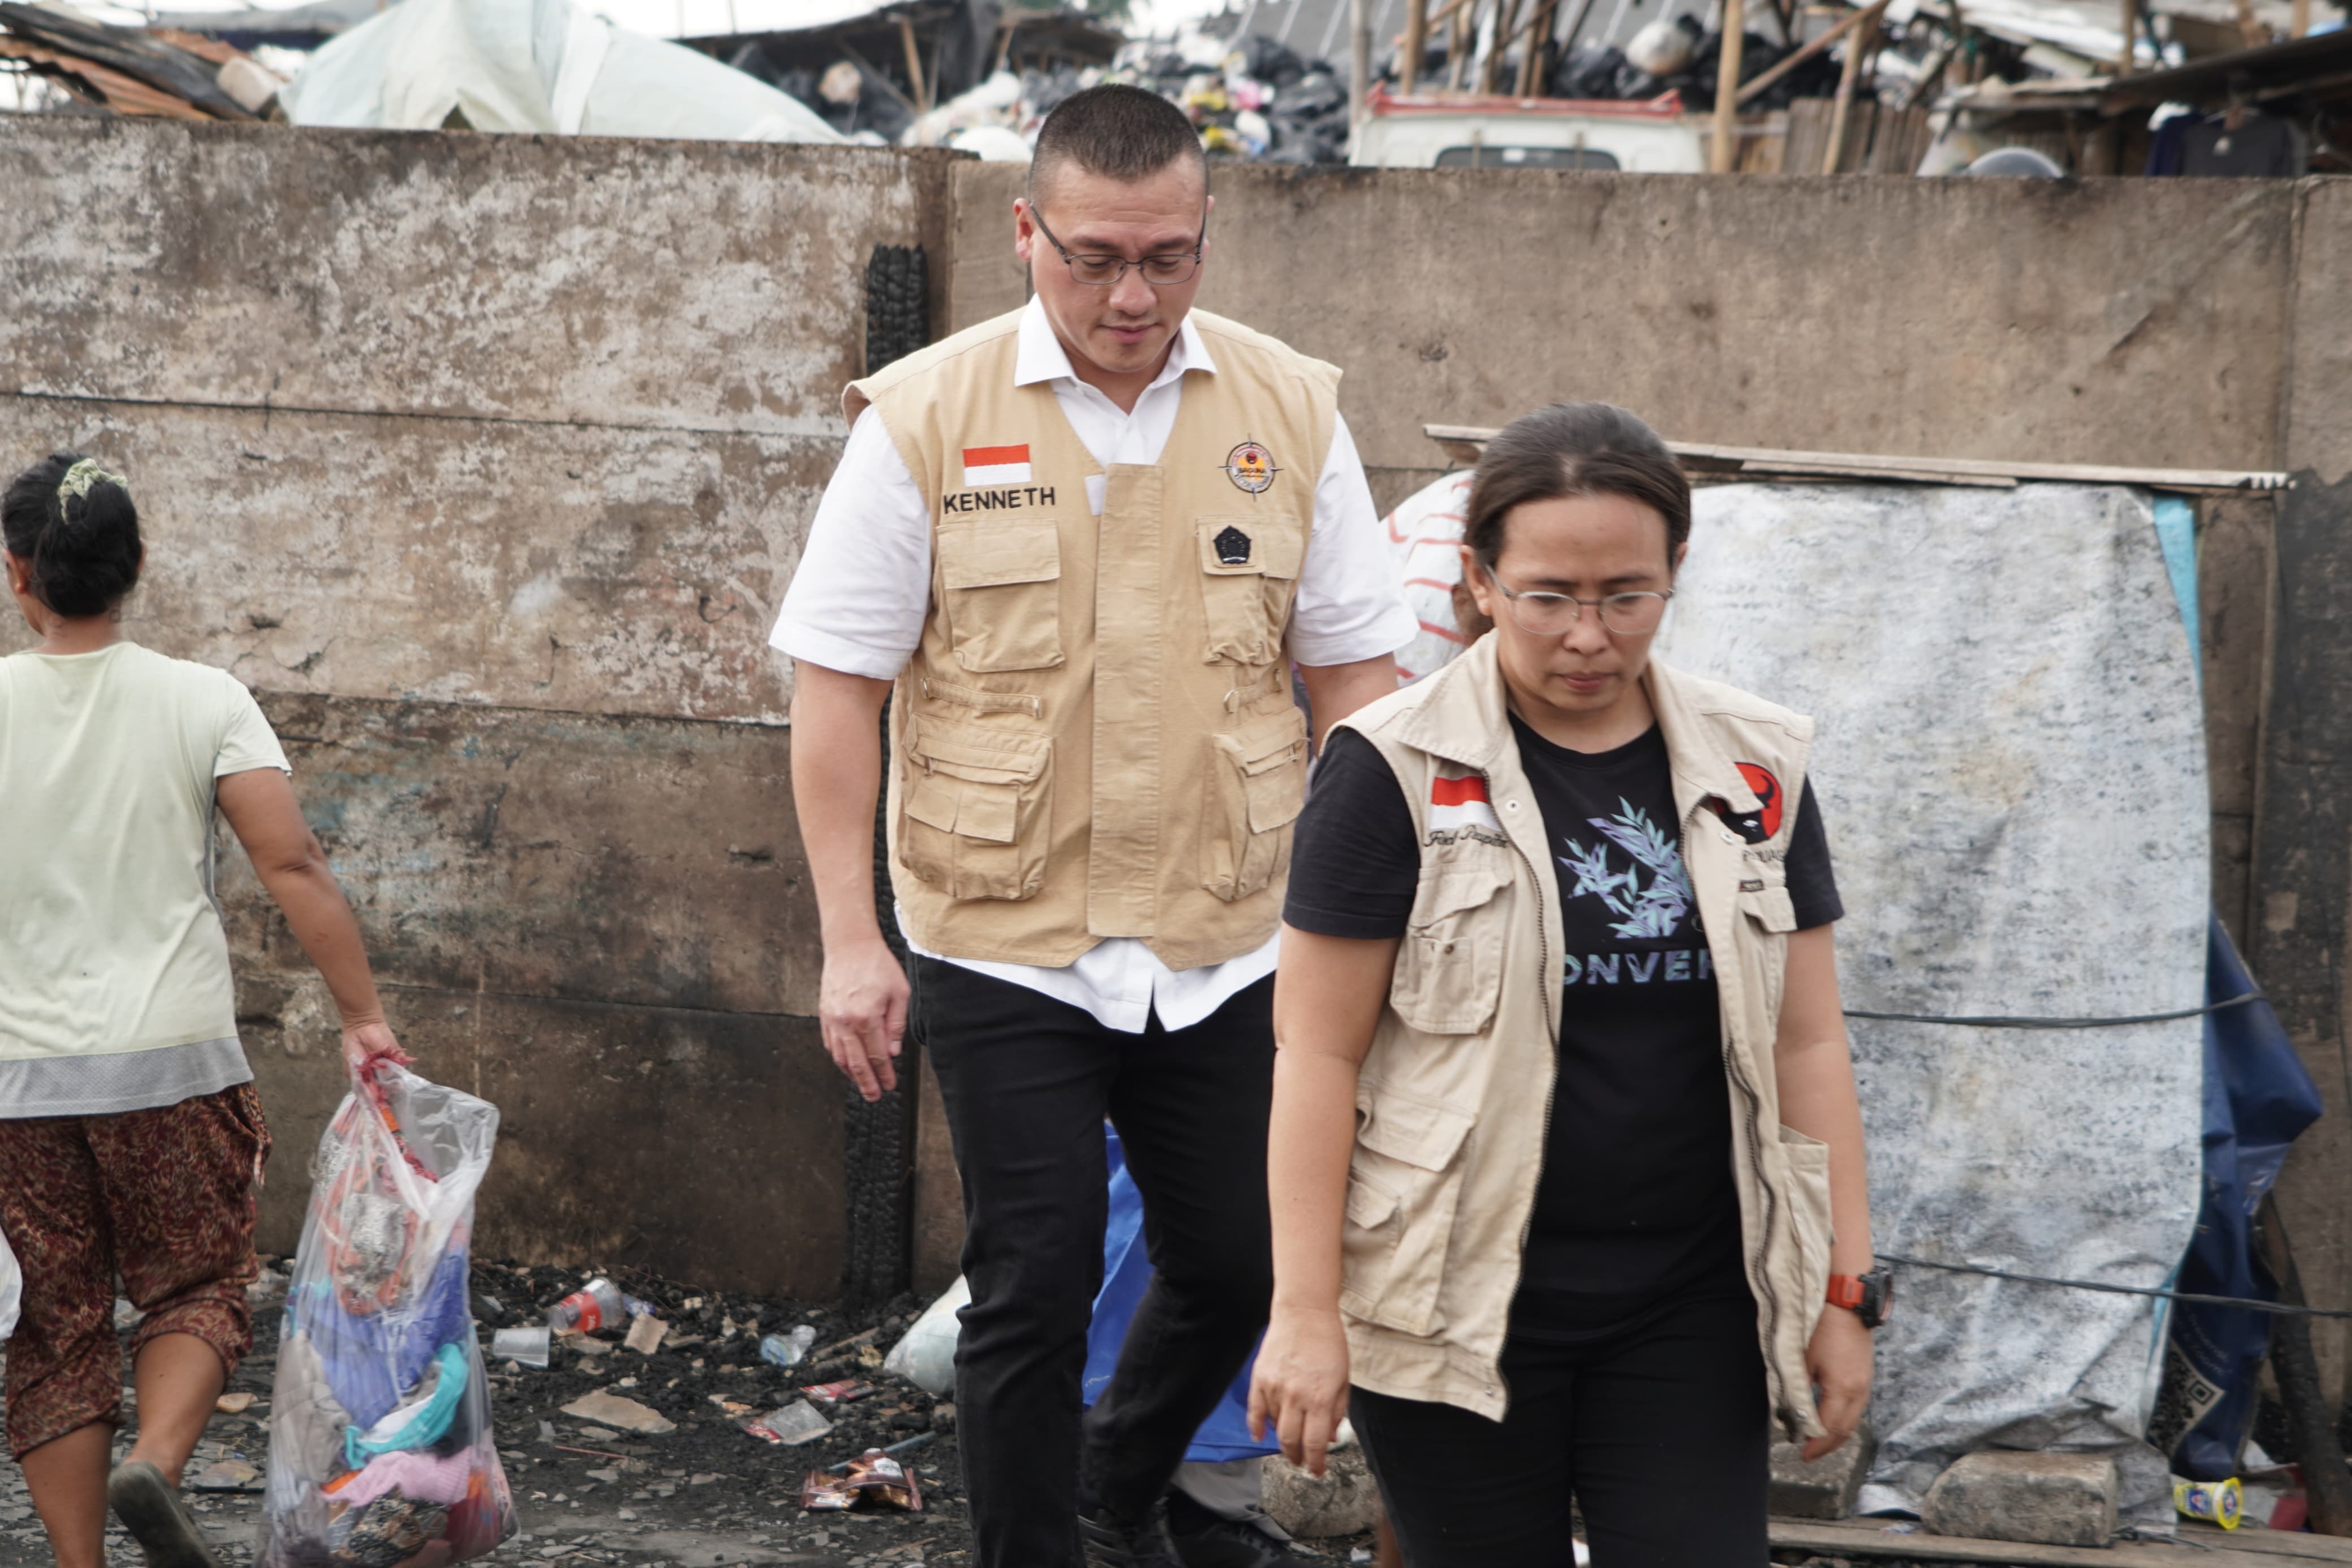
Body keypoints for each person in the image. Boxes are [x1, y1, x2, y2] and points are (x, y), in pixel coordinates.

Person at [772, 84, 1413, 1568]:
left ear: (1205, 237)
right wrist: (849, 939)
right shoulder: (925, 419)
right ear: (1026, 235)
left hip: (1233, 931)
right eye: (1095, 258)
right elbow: (836, 686)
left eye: (1168, 259)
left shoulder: (1289, 409)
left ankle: (1116, 1485)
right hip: (1004, 935)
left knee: (1246, 1258)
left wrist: (1366, 919)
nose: (1132, 294)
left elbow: (1361, 686)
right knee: (1033, 1282)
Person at [1248, 404, 1883, 1566]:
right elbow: (1317, 1056)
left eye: (1626, 595)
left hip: (1692, 1304)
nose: (1588, 635)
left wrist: (1842, 1288)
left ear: (1676, 574)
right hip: (1451, 1299)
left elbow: (1809, 1045)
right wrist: (1304, 1312)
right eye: (1548, 596)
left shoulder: (1757, 768)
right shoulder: (1390, 768)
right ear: (1481, 582)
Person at [0, 453, 410, 1568]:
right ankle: (161, 1463)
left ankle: (80, 1563)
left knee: (53, 1326)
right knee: (195, 1284)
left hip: (20, 1084)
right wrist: (362, 1014)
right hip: (175, 1066)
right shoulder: (203, 698)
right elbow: (295, 864)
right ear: (135, 565)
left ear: (16, 572)